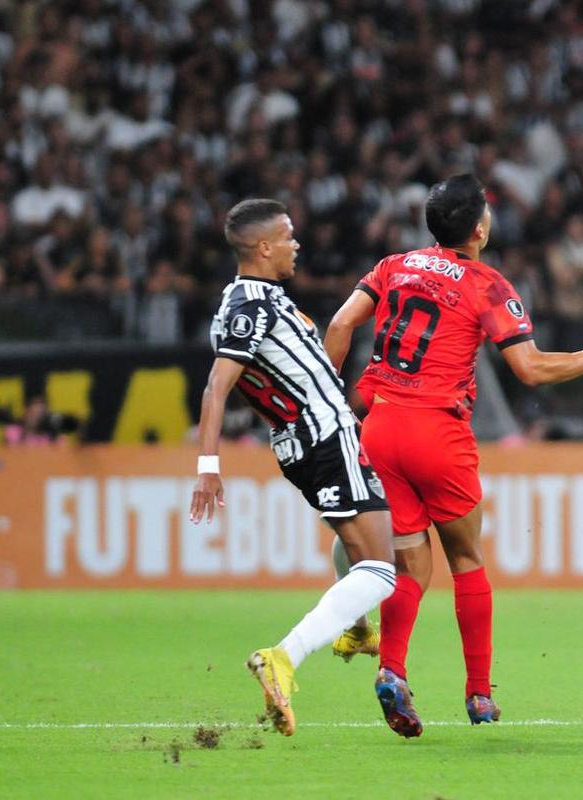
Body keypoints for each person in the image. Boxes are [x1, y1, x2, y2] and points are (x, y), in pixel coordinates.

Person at [325, 174, 583, 737]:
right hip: (438, 433)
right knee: (466, 559)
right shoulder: (487, 284)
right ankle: (478, 694)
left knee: (410, 565)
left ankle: (391, 670)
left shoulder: (391, 266)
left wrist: (336, 401)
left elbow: (339, 324)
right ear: (479, 228)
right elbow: (530, 369)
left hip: (379, 429)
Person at [189, 198, 395, 737]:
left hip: (317, 439)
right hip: (324, 438)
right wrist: (208, 464)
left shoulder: (262, 300)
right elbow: (217, 385)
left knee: (361, 534)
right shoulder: (248, 306)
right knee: (381, 568)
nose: (296, 244)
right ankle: (284, 655)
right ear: (263, 248)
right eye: (287, 236)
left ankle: (352, 627)